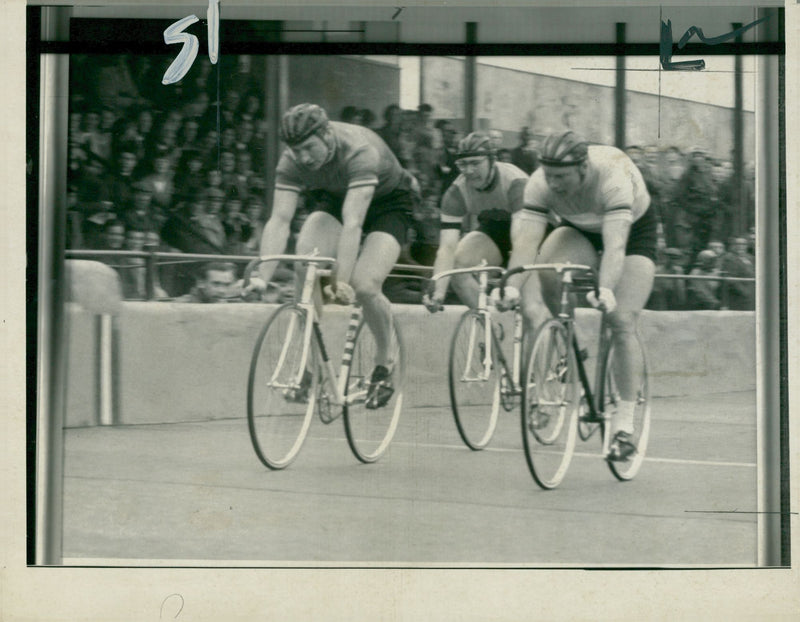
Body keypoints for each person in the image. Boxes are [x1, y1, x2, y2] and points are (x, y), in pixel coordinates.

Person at [248, 103, 420, 409]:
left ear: (327, 134)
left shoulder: (359, 150)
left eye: (309, 148)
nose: (303, 158)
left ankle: (384, 364)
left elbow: (353, 224)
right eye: (296, 150)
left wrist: (341, 282)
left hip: (388, 204)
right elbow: (279, 220)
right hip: (337, 197)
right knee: (307, 264)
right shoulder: (292, 160)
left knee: (364, 285)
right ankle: (310, 368)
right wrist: (262, 277)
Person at [504, 130, 656, 462]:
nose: (554, 183)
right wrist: (511, 287)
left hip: (631, 233)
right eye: (549, 175)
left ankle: (625, 426)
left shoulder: (612, 177)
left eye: (561, 176)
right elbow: (526, 243)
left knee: (621, 319)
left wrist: (604, 290)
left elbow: (615, 247)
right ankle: (566, 340)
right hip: (579, 230)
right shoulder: (539, 184)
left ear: (583, 168)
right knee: (546, 264)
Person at [423, 132, 528, 311]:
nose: (469, 171)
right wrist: (438, 292)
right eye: (463, 164)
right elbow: (446, 248)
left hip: (530, 232)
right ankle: (492, 326)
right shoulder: (456, 193)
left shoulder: (515, 182)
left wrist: (511, 288)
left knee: (531, 308)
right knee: (458, 267)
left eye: (475, 163)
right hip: (496, 226)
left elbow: (522, 243)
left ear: (492, 161)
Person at [175, 261, 242, 303]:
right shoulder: (182, 305)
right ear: (201, 283)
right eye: (216, 284)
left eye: (227, 285)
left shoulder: (232, 304)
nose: (222, 291)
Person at [719, 237, 755, 310]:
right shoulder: (729, 258)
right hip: (739, 296)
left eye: (743, 244)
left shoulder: (751, 258)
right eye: (738, 244)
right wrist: (745, 292)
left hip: (752, 294)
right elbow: (731, 279)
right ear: (732, 246)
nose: (741, 246)